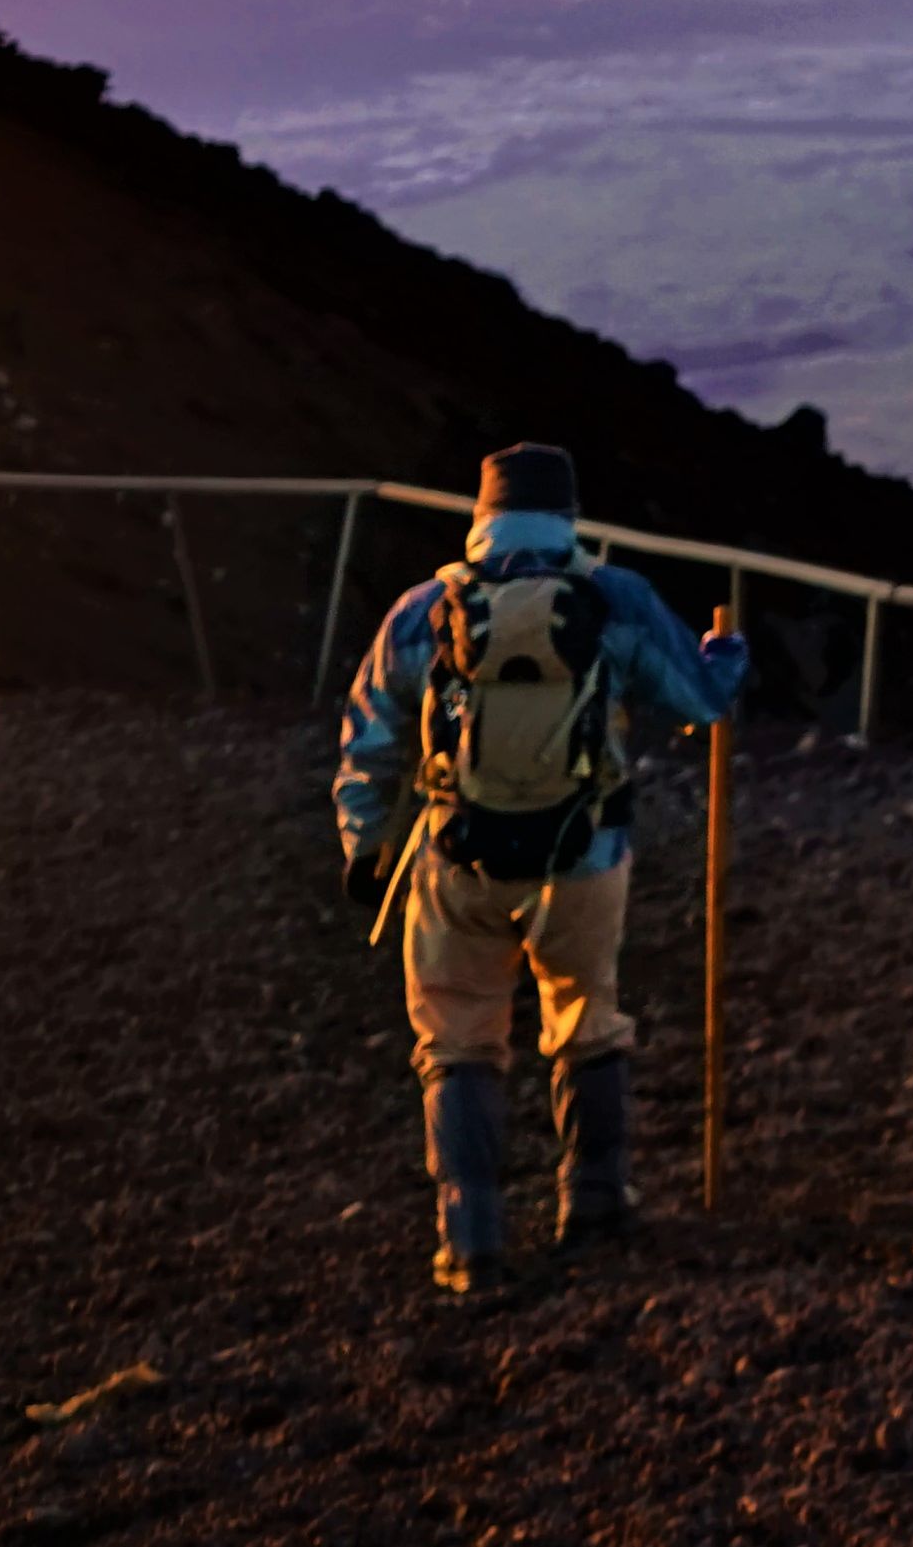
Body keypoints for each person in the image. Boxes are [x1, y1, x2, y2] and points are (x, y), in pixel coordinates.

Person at [333, 442, 749, 1296]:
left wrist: (366, 847)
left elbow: (369, 741)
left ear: (482, 517)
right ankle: (595, 1204)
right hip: (584, 853)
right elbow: (702, 701)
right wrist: (725, 655)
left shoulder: (424, 610)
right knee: (587, 1019)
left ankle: (470, 1240)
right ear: (568, 516)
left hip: (456, 859)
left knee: (457, 1040)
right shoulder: (613, 598)